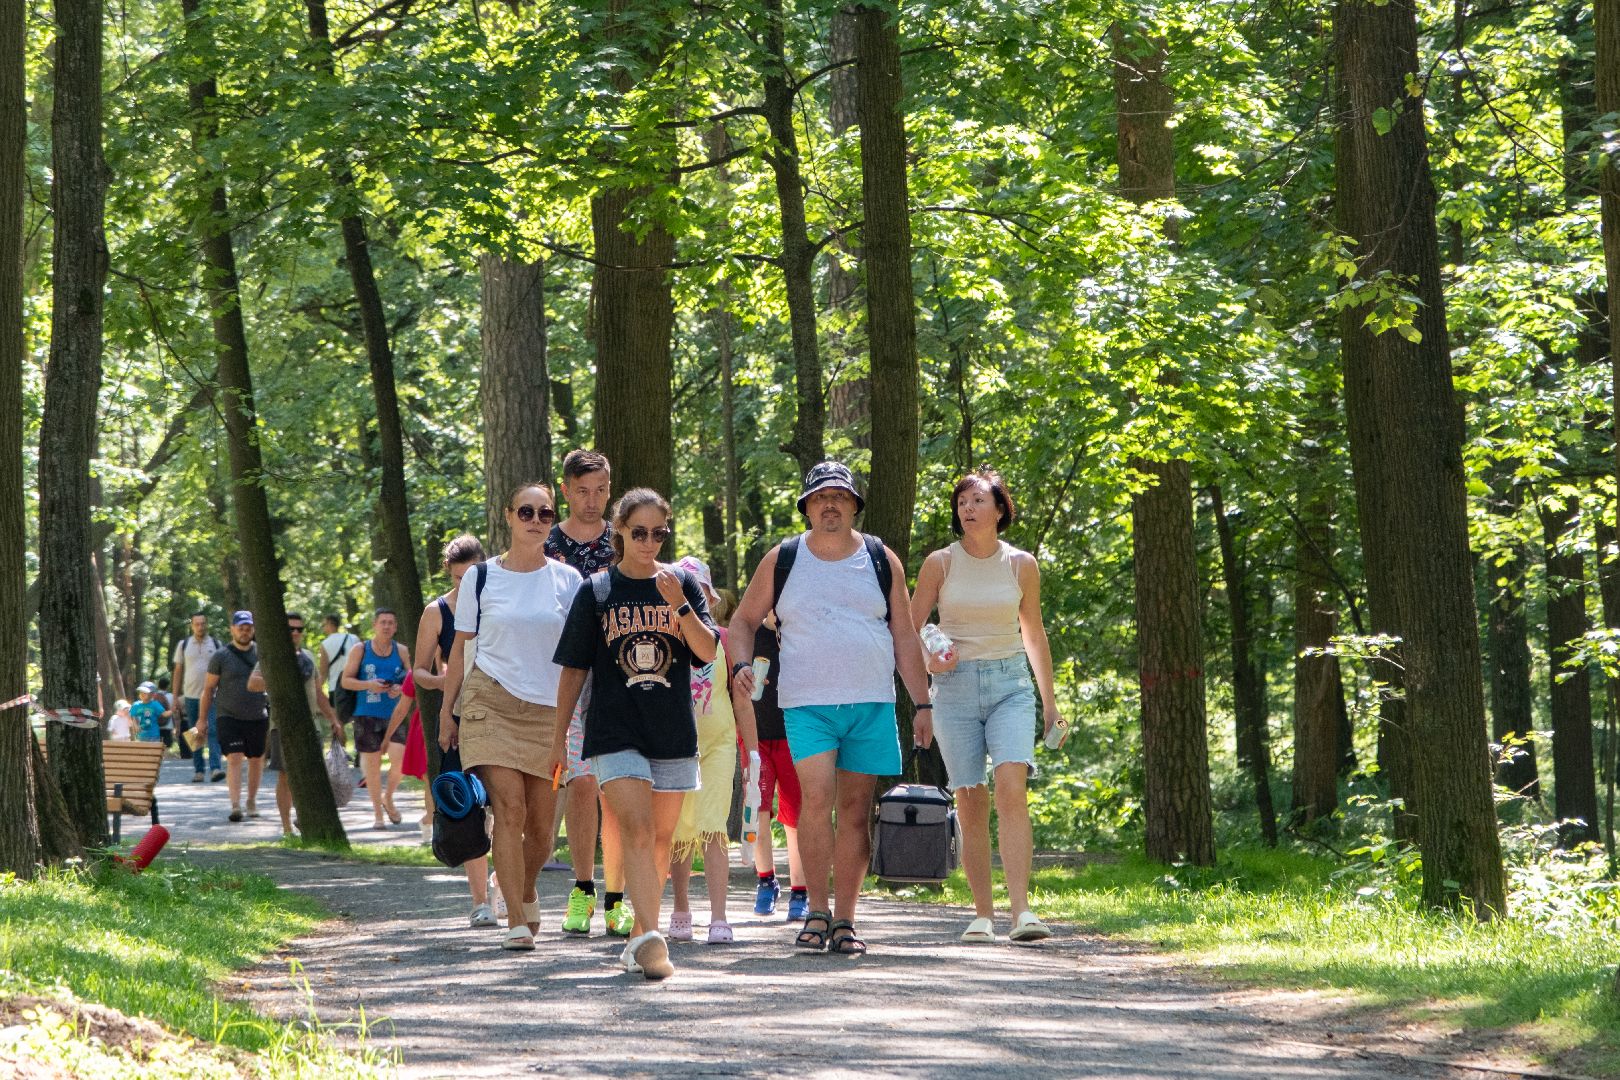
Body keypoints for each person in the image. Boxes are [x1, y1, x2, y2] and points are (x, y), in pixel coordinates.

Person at [729, 461, 933, 957]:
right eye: (820, 497)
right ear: (807, 507)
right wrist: (740, 666)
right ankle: (816, 912)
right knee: (816, 801)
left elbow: (905, 636)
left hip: (872, 702)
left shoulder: (880, 558)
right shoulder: (784, 558)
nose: (830, 505)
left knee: (856, 811)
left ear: (854, 506)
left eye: (840, 496)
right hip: (807, 704)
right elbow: (742, 621)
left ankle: (846, 920)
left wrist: (923, 702)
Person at [550, 488, 720, 981]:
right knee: (638, 831)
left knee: (661, 840)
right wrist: (557, 739)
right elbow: (573, 669)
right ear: (620, 530)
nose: (649, 542)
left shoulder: (682, 584)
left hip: (671, 731)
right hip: (614, 730)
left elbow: (708, 652)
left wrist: (680, 606)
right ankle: (652, 942)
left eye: (658, 533)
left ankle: (639, 938)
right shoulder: (597, 591)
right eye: (639, 532)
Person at [911, 469, 1060, 942]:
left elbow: (1033, 633)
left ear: (1000, 510)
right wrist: (929, 666)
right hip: (953, 689)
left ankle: (1022, 913)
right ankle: (982, 915)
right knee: (971, 799)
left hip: (1010, 684)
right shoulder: (940, 563)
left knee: (1011, 786)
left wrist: (1050, 703)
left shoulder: (1021, 565)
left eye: (977, 501)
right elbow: (909, 629)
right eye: (962, 503)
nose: (968, 509)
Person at [439, 482, 580, 951]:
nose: (536, 520)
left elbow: (579, 656)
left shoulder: (568, 580)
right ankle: (516, 921)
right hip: (490, 701)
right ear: (508, 515)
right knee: (510, 808)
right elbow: (461, 648)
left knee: (542, 831)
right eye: (526, 511)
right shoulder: (481, 578)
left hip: (548, 711)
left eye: (545, 513)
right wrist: (448, 712)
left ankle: (524, 887)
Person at [544, 449, 627, 936]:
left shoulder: (626, 538)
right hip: (566, 675)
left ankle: (617, 896)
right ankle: (582, 889)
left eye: (600, 491)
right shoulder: (547, 542)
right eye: (582, 492)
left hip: (619, 675)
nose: (592, 501)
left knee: (618, 787)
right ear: (565, 491)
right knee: (580, 783)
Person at [667, 556, 759, 944]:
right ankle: (681, 908)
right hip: (674, 748)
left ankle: (719, 916)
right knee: (679, 831)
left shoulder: (724, 639)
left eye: (699, 591)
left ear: (710, 598)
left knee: (713, 827)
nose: (692, 597)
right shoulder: (663, 637)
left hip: (718, 746)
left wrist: (753, 755)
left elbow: (742, 701)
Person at [409, 534, 496, 927]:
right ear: (449, 573)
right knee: (467, 809)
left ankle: (504, 883)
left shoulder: (500, 602)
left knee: (510, 807)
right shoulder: (437, 612)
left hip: (504, 714)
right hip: (458, 717)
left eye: (473, 575)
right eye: (459, 578)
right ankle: (480, 902)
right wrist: (445, 682)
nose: (467, 584)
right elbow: (418, 671)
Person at [248, 612, 342, 838]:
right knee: (286, 776)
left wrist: (333, 719)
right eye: (291, 629)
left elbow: (318, 692)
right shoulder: (273, 656)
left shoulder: (308, 656)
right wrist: (280, 678)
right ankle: (287, 828)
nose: (296, 633)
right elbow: (252, 684)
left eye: (300, 629)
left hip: (312, 725)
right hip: (283, 725)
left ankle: (306, 819)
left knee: (313, 774)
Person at [748, 616, 807, 920]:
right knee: (757, 811)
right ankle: (766, 881)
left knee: (795, 816)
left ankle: (800, 891)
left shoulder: (800, 630)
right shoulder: (751, 632)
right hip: (756, 736)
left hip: (794, 736)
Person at [196, 611, 271, 822]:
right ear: (232, 630)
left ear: (253, 630)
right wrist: (202, 719)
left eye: (248, 628)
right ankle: (235, 805)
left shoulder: (262, 654)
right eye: (240, 628)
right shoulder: (220, 656)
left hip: (257, 715)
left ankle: (251, 801)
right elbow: (208, 689)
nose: (244, 632)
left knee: (256, 760)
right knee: (235, 757)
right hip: (228, 715)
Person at [342, 609, 412, 830]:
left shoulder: (401, 651)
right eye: (383, 622)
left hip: (395, 715)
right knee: (372, 767)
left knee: (400, 761)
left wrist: (399, 688)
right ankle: (378, 815)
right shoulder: (360, 649)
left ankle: (388, 797)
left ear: (396, 627)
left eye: (391, 623)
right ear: (374, 625)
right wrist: (369, 685)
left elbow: (411, 679)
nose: (387, 626)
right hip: (366, 715)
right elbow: (346, 681)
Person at [172, 612, 224, 782]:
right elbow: (178, 671)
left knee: (213, 730)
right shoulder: (184, 645)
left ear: (206, 624)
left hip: (213, 695)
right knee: (195, 732)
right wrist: (175, 697)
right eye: (197, 624)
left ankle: (216, 768)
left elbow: (223, 670)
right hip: (191, 695)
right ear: (192, 626)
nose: (200, 627)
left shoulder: (216, 644)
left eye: (203, 623)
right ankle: (199, 770)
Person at [318, 615, 359, 738]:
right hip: (356, 684)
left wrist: (317, 690)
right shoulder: (354, 638)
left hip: (335, 687)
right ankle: (361, 747)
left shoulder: (325, 644)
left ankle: (341, 749)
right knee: (358, 719)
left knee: (337, 722)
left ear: (331, 624)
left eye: (324, 625)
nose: (323, 628)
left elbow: (323, 672)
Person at [154, 676, 176, 750]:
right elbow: (174, 710)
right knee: (167, 746)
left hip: (155, 724)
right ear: (167, 686)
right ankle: (165, 756)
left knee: (156, 746)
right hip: (168, 724)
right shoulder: (171, 696)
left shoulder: (153, 697)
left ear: (158, 685)